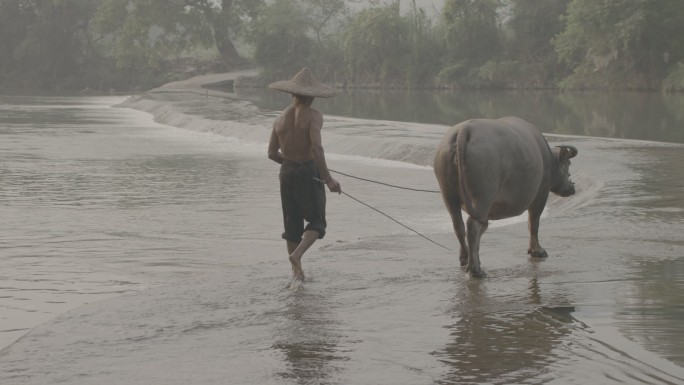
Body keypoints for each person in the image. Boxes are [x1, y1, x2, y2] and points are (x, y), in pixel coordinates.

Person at [267, 67, 342, 284]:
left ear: (293, 94)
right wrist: (327, 178)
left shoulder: (280, 119)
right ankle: (297, 255)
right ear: (312, 96)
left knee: (292, 225)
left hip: (286, 172)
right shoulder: (313, 116)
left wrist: (291, 162)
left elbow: (271, 153)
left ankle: (296, 273)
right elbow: (317, 148)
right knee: (318, 222)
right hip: (308, 172)